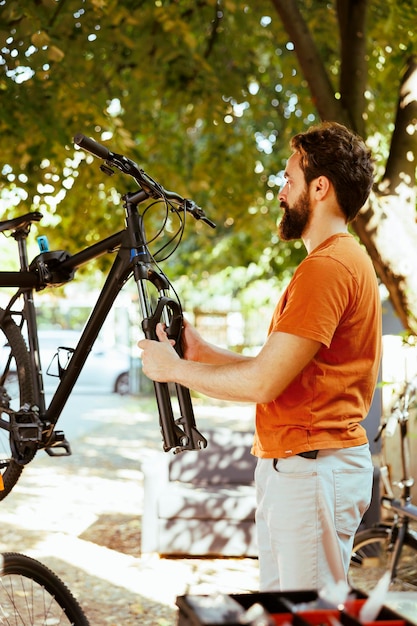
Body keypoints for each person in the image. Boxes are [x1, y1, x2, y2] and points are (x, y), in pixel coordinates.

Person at [138, 121, 382, 592]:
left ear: (320, 187)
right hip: (299, 468)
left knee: (306, 617)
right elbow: (280, 371)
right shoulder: (335, 262)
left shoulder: (328, 268)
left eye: (288, 180)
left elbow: (262, 383)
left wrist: (174, 370)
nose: (281, 192)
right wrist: (201, 352)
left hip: (313, 471)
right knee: (287, 613)